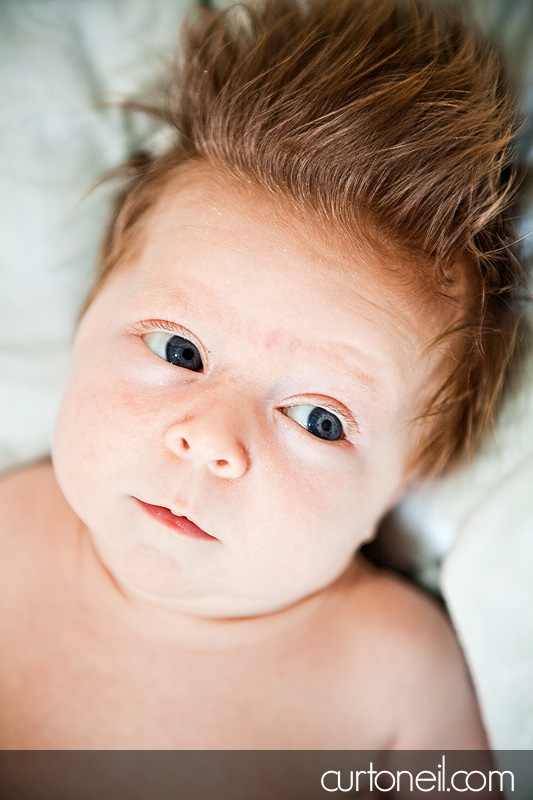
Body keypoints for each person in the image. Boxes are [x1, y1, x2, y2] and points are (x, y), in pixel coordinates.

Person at [0, 0, 526, 750]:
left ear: (409, 479)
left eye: (319, 419)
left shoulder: (394, 677)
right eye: (179, 350)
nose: (211, 440)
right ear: (88, 318)